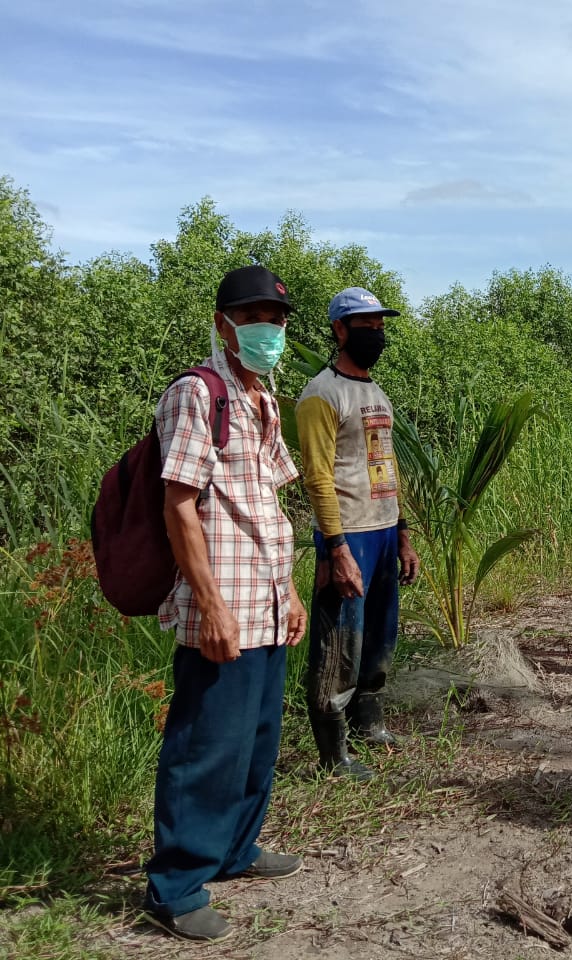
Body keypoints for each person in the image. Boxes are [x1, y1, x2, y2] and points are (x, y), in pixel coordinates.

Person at [144, 265, 307, 942]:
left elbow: (269, 504)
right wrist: (211, 606)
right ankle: (175, 887)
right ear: (224, 323)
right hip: (225, 606)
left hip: (266, 604)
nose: (268, 328)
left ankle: (237, 849)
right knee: (206, 744)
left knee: (257, 741)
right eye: (254, 316)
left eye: (276, 318)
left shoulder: (262, 398)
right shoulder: (196, 394)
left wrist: (292, 590)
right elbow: (178, 503)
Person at [296, 287, 419, 779]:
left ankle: (369, 720)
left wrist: (404, 532)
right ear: (340, 330)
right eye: (365, 325)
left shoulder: (375, 392)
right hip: (348, 534)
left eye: (380, 325)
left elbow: (387, 465)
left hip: (384, 530)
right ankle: (332, 751)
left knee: (379, 632)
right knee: (338, 640)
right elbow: (318, 476)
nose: (376, 333)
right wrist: (336, 546)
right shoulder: (322, 395)